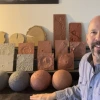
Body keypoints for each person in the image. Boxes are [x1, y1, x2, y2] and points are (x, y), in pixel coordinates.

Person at [30, 15, 100, 100]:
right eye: (93, 32)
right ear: (87, 38)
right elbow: (81, 90)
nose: (98, 38)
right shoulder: (85, 61)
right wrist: (53, 96)